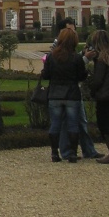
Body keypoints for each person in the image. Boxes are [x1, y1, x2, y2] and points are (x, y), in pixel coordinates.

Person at [55, 20, 104, 160]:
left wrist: (82, 56)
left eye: (74, 30)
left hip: (71, 90)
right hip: (65, 91)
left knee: (81, 121)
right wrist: (85, 59)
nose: (73, 33)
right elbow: (67, 66)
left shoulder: (71, 48)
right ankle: (68, 151)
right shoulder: (56, 47)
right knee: (68, 122)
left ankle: (87, 150)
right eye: (70, 30)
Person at [41, 27, 88, 162]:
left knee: (55, 124)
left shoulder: (51, 57)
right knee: (73, 125)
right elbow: (81, 76)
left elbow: (46, 75)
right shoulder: (77, 58)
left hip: (55, 94)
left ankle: (55, 153)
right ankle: (72, 153)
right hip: (72, 94)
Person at [83, 30, 109, 164]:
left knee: (103, 123)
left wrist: (92, 91)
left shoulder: (102, 58)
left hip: (105, 94)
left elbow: (98, 79)